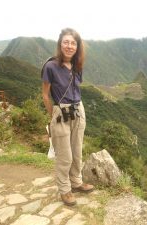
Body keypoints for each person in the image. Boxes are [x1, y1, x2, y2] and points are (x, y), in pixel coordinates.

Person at [42, 28, 94, 206]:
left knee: (77, 151)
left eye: (73, 43)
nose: (69, 46)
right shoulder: (50, 66)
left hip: (78, 109)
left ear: (77, 46)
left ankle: (76, 182)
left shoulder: (78, 65)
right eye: (66, 42)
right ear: (60, 44)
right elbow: (45, 95)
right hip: (60, 112)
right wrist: (53, 115)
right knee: (65, 156)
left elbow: (77, 89)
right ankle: (65, 189)